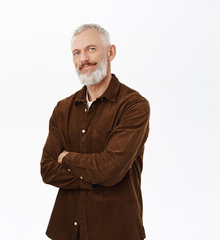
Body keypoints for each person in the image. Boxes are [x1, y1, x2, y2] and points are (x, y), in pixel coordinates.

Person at [40, 24, 150, 240]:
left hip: (116, 230)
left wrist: (67, 158)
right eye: (76, 52)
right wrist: (96, 173)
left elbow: (111, 169)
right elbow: (48, 169)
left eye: (91, 49)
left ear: (111, 52)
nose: (83, 59)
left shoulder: (134, 106)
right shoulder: (63, 109)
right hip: (67, 231)